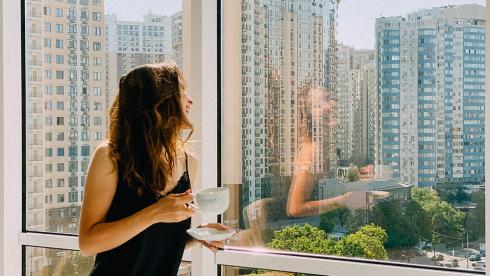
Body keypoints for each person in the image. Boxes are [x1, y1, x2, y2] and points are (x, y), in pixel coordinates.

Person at [79, 62, 227, 276]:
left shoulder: (188, 163)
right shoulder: (110, 156)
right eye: (181, 91)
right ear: (158, 102)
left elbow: (152, 243)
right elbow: (88, 243)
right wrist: (155, 212)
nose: (190, 99)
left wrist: (197, 235)